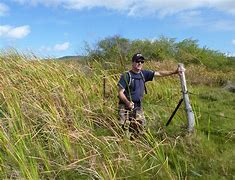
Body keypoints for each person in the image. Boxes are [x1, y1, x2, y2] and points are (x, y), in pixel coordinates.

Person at [117, 53, 183, 138]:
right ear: (133, 62)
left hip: (138, 106)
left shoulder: (144, 74)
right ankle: (124, 146)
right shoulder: (126, 76)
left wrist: (174, 72)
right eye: (137, 61)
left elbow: (159, 73)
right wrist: (127, 103)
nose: (140, 63)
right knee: (124, 130)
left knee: (141, 128)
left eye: (142, 61)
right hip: (125, 107)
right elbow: (120, 92)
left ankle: (137, 145)